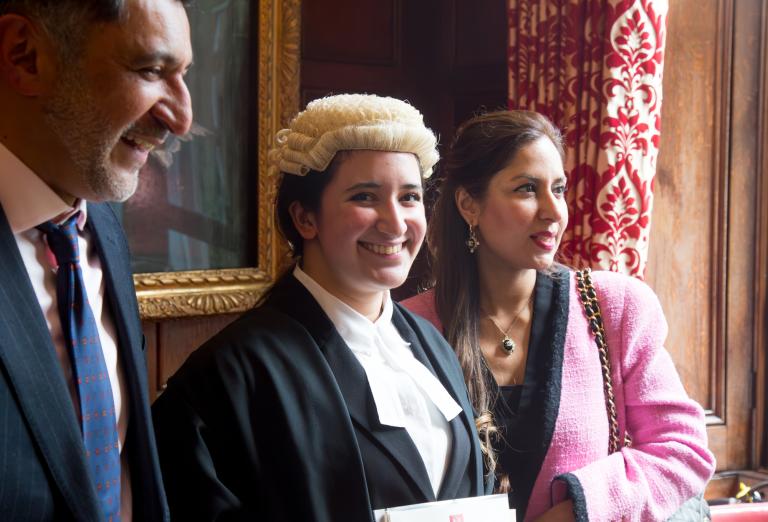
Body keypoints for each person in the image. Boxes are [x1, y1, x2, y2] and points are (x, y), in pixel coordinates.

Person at [151, 93, 488, 521]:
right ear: (304, 218)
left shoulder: (433, 346)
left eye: (409, 197)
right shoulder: (228, 375)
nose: (395, 223)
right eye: (365, 197)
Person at [402, 110, 716, 521]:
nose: (554, 211)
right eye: (527, 189)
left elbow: (682, 449)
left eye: (559, 189)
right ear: (468, 205)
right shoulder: (405, 331)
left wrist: (576, 511)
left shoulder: (613, 307)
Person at [0, 0, 193, 520]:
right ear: (24, 56)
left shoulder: (101, 224)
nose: (182, 117)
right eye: (151, 70)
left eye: (183, 75)